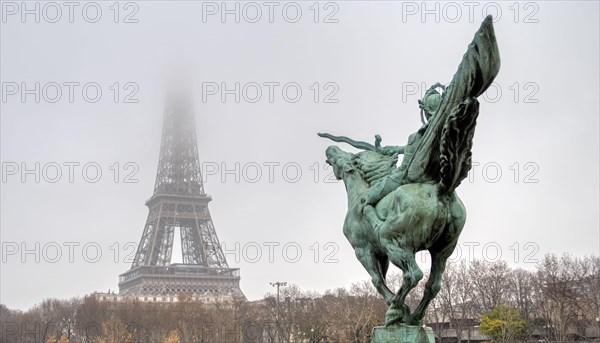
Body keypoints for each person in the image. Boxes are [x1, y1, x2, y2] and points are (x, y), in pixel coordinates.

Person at [362, 84, 445, 227]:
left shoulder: (416, 136)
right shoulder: (442, 134)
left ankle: (377, 227)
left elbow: (405, 166)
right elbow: (413, 149)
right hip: (435, 178)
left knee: (367, 201)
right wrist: (394, 149)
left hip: (405, 175)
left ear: (427, 111)